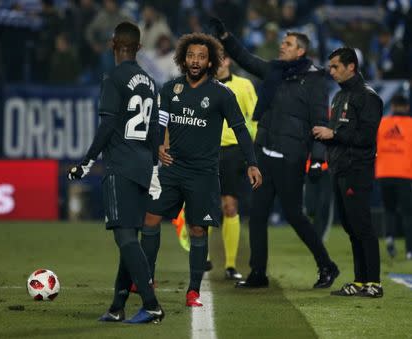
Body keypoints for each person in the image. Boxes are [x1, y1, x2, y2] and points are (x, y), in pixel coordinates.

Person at [209, 18, 339, 289]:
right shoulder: (274, 71)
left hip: (290, 158)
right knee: (257, 215)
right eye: (283, 42)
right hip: (265, 155)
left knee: (295, 216)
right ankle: (258, 273)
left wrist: (317, 158)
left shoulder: (315, 80)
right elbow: (245, 59)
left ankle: (327, 265)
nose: (282, 46)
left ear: (300, 50)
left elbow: (320, 121)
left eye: (288, 44)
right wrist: (225, 36)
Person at [140, 32, 262, 307]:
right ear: (183, 58)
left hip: (204, 174)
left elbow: (241, 129)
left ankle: (193, 290)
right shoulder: (170, 89)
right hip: (172, 167)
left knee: (197, 229)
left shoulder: (222, 94)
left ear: (210, 62)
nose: (195, 61)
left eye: (201, 57)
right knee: (149, 217)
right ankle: (146, 276)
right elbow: (158, 124)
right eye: (191, 56)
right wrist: (158, 144)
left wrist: (252, 162)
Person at [67, 22, 164, 323]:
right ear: (138, 47)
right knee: (130, 236)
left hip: (120, 165)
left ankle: (151, 304)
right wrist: (155, 169)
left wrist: (86, 161)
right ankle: (117, 306)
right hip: (142, 164)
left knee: (124, 237)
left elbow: (108, 124)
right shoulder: (150, 81)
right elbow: (153, 131)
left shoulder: (113, 79)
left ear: (112, 45)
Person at [313, 47, 384, 298]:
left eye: (335, 66)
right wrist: (325, 137)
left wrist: (333, 134)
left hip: (357, 169)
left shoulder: (368, 97)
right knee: (351, 227)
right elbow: (338, 133)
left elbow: (366, 137)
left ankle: (374, 283)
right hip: (340, 169)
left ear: (351, 66)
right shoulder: (339, 96)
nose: (331, 71)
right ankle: (360, 281)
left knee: (362, 226)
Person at [209, 52, 258, 279]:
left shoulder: (244, 85)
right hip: (206, 151)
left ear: (228, 61)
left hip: (233, 152)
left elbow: (255, 118)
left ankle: (230, 265)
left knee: (230, 206)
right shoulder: (203, 85)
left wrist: (253, 156)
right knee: (206, 206)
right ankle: (203, 260)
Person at [375, 94, 412, 260]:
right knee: (408, 213)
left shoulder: (382, 124)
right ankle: (409, 250)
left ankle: (389, 238)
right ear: (406, 107)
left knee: (388, 209)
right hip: (405, 174)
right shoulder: (410, 125)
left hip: (384, 173)